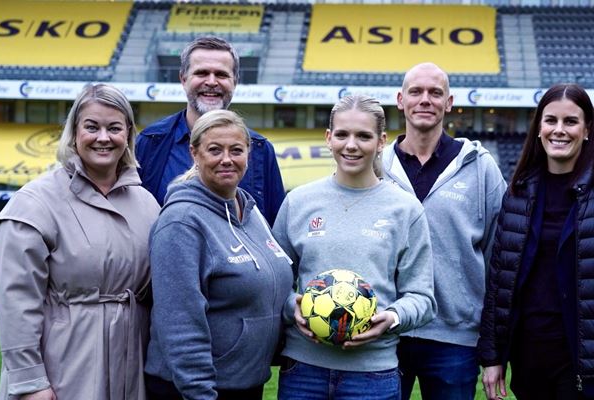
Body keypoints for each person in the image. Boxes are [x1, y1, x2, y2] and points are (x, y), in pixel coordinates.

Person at [479, 83, 594, 400]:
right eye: (550, 121)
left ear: (587, 130)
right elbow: (499, 283)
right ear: (538, 128)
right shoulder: (518, 191)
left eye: (570, 121)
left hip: (588, 362)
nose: (559, 130)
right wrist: (493, 356)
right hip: (529, 358)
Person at [0, 83, 160, 400]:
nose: (103, 138)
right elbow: (15, 303)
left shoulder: (147, 203)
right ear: (74, 132)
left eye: (115, 128)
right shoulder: (34, 203)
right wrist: (31, 382)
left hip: (131, 365)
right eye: (91, 127)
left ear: (128, 135)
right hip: (64, 365)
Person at [273, 94, 436, 400]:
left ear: (381, 141)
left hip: (372, 375)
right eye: (342, 134)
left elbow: (423, 298)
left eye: (363, 136)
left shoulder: (405, 209)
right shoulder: (298, 201)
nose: (351, 145)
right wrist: (289, 307)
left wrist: (392, 318)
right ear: (328, 138)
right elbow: (274, 282)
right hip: (303, 370)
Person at [144, 109, 294, 400]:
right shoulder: (182, 222)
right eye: (215, 149)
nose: (227, 159)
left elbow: (270, 285)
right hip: (196, 390)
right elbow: (180, 321)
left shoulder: (250, 213)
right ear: (194, 152)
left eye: (236, 150)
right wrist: (200, 392)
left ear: (248, 153)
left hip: (246, 383)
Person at [381, 63, 507, 400]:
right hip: (385, 333)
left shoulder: (480, 167)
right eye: (416, 92)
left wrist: (494, 345)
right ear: (400, 99)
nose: (425, 100)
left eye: (435, 93)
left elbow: (500, 262)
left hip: (455, 340)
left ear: (449, 102)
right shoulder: (375, 166)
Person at [136, 35, 285, 224]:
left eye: (221, 75)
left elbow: (274, 228)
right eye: (202, 73)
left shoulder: (260, 149)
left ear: (235, 81)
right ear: (183, 79)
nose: (212, 82)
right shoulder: (151, 142)